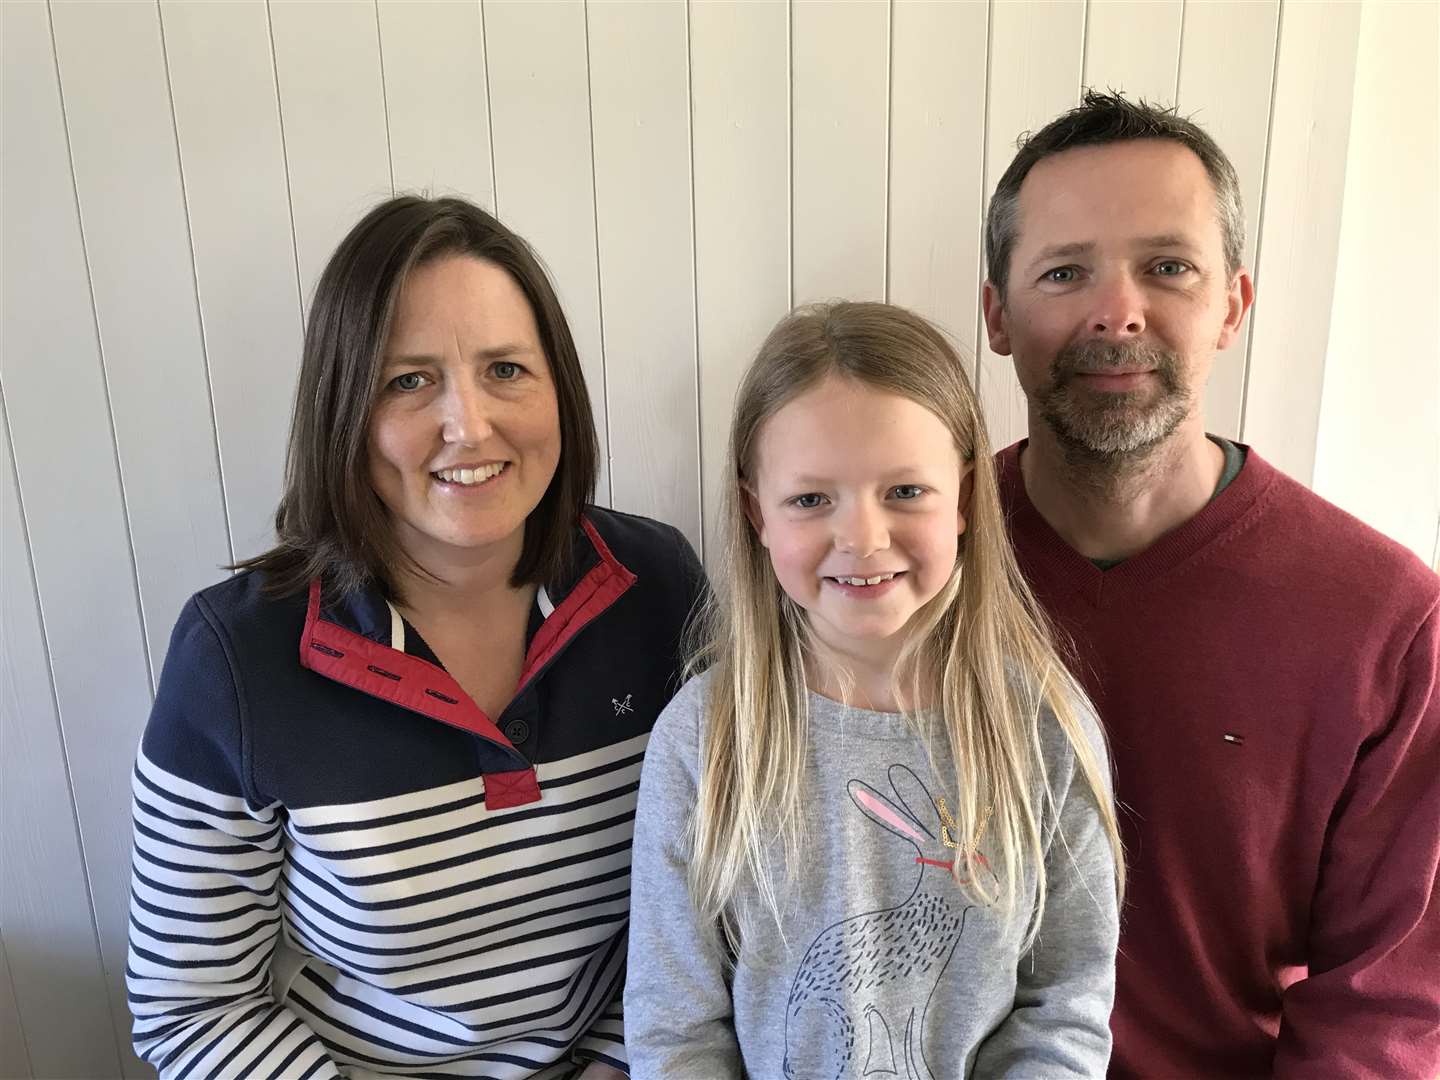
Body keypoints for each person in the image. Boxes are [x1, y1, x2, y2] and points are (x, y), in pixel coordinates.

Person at [125, 196, 705, 1079]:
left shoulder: (657, 588)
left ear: (561, 390)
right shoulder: (233, 659)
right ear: (342, 412)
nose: (469, 426)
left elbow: (710, 902)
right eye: (408, 380)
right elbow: (190, 1006)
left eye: (506, 369)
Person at [981, 90, 1440, 1077]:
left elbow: (1387, 1002)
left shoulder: (1382, 619)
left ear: (1233, 304)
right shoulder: (896, 566)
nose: (1118, 310)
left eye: (1167, 268)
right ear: (998, 316)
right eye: (1065, 271)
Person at [624, 301, 1125, 1078]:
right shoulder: (704, 740)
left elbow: (1063, 1008)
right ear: (758, 512)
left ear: (963, 499)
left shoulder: (1046, 729)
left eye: (904, 492)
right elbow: (674, 1027)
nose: (861, 537)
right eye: (811, 499)